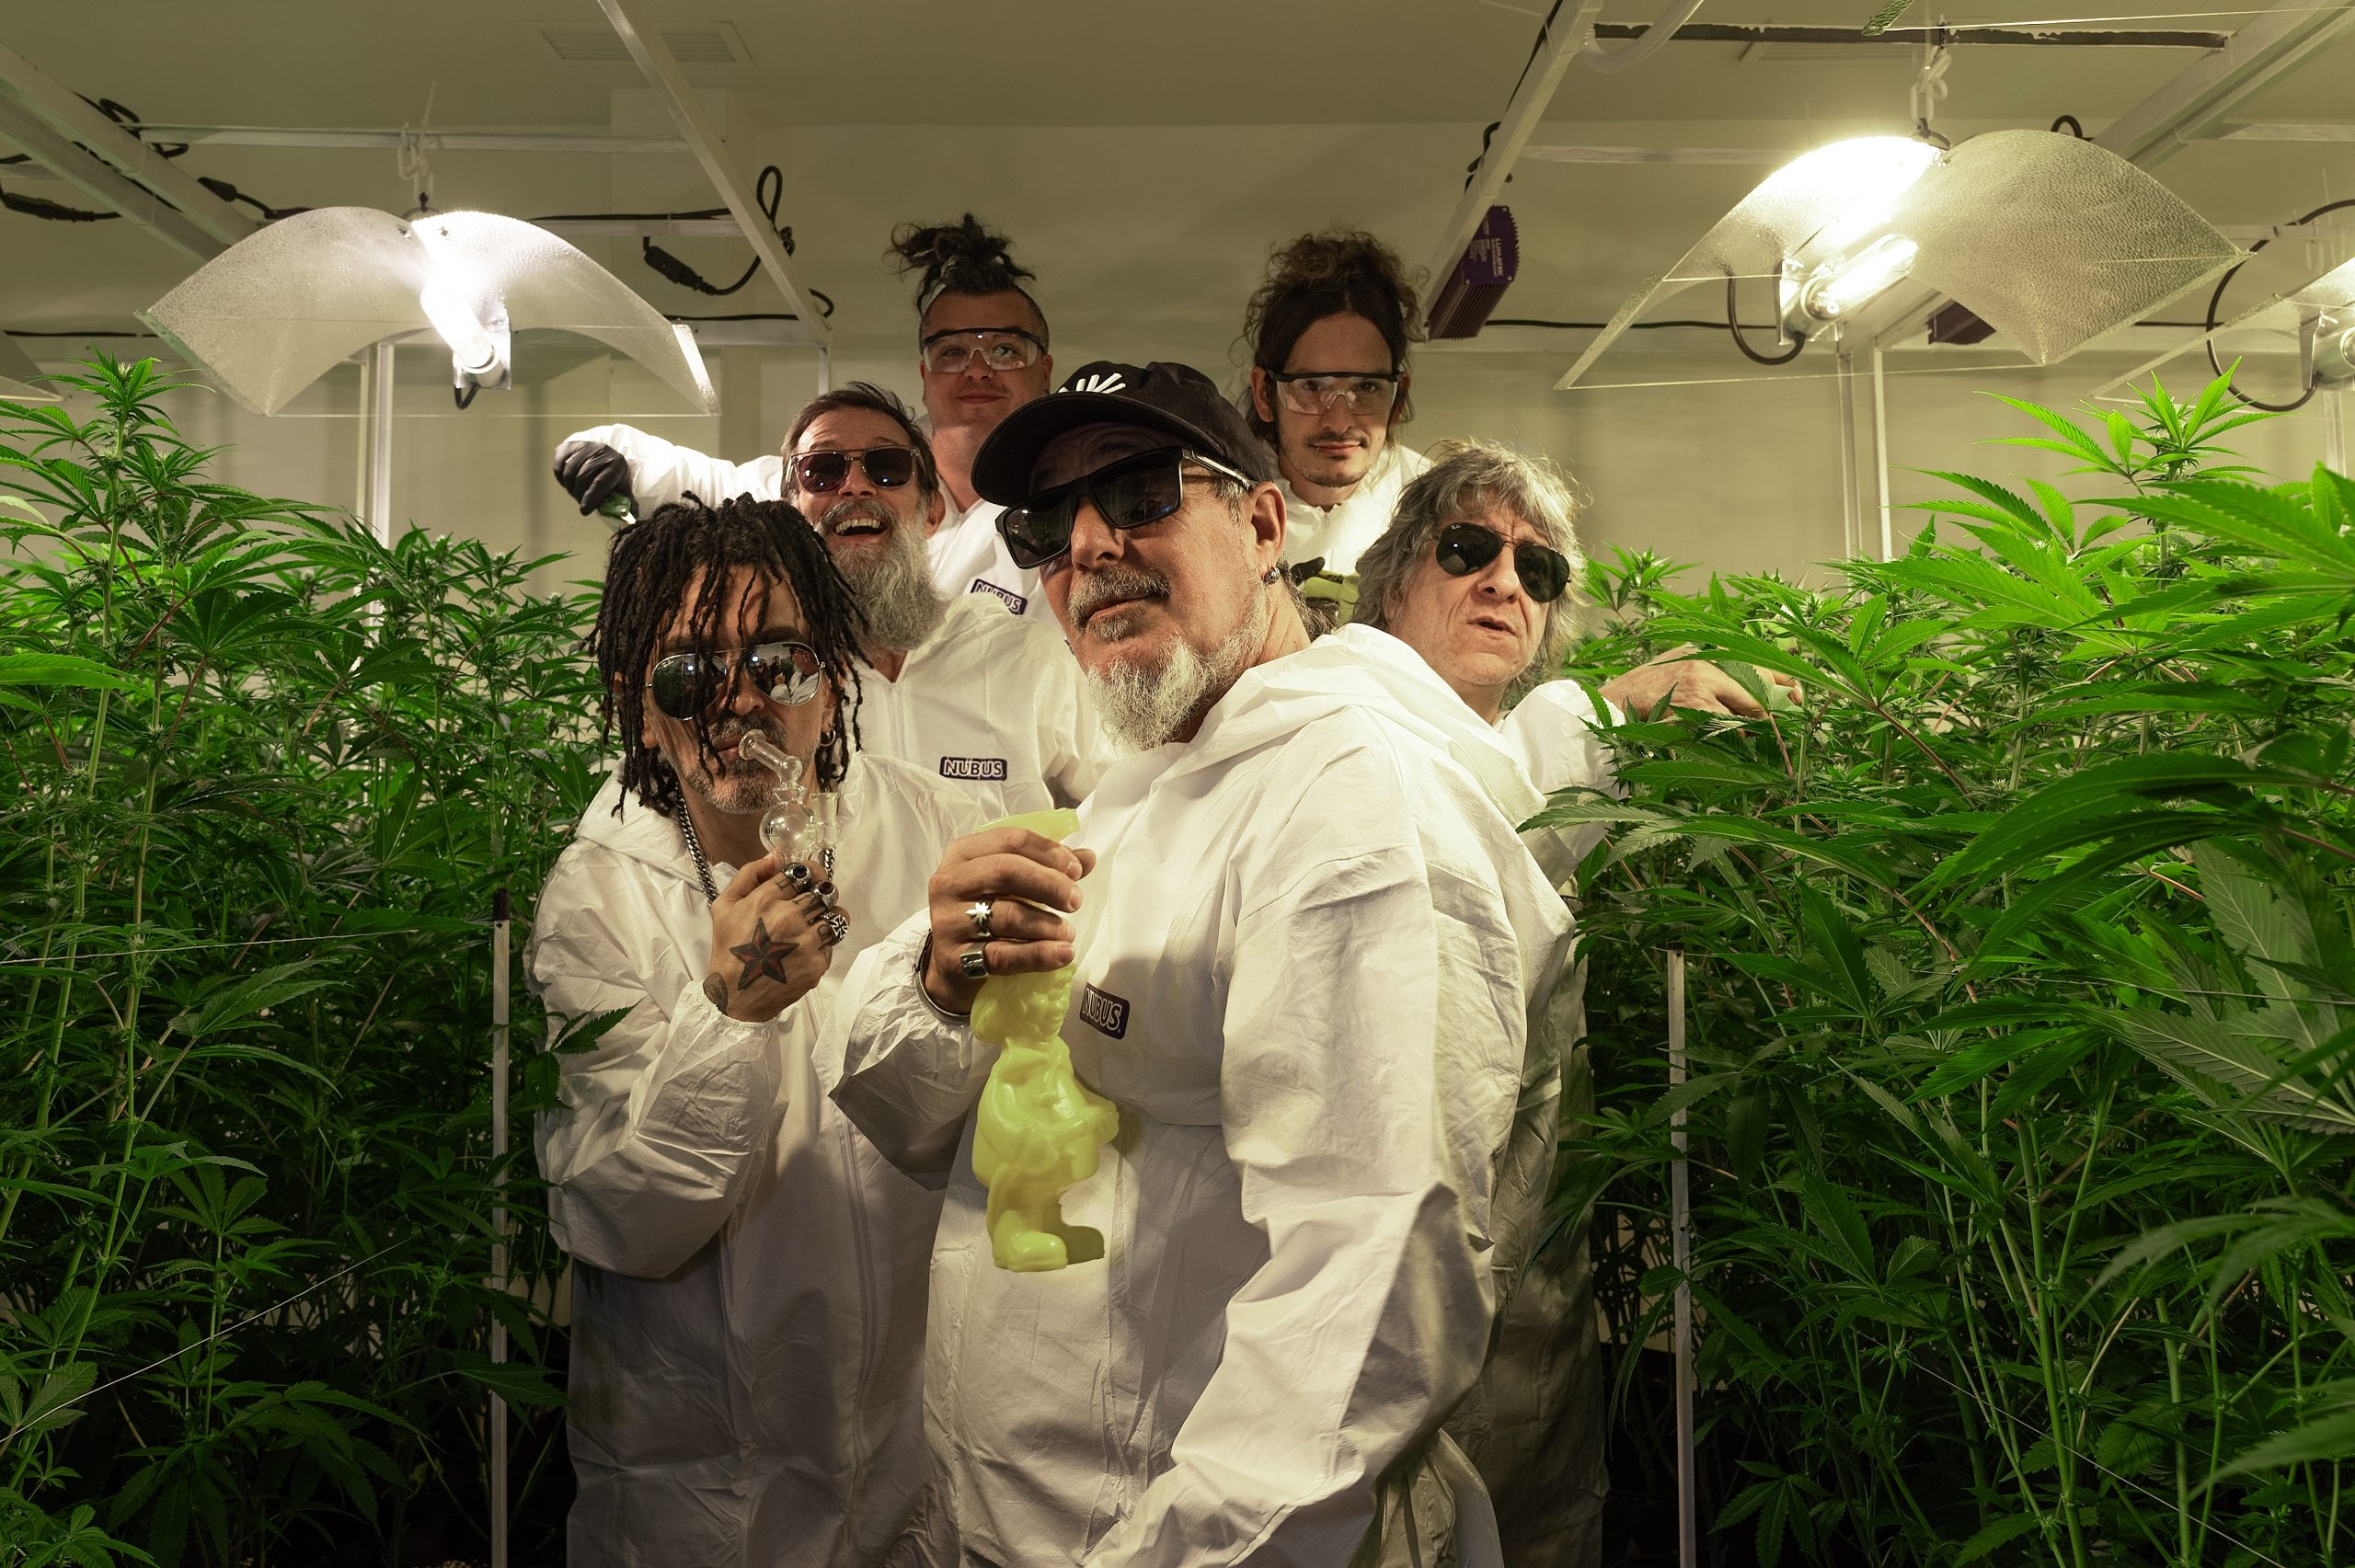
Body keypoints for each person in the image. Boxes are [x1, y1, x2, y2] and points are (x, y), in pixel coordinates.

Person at [827, 361, 1574, 1566]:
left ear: (1265, 526)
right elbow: (898, 1113)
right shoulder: (1151, 786)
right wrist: (936, 985)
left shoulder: (1349, 799)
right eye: (1045, 526)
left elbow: (1371, 1291)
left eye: (1139, 492)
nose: (1087, 546)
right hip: (1022, 1521)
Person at [1350, 438, 1805, 1567]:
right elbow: (1478, 839)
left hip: (1534, 1264)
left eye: (1537, 570)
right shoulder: (1347, 729)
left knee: (1541, 1506)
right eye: (1467, 549)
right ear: (1393, 582)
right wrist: (1606, 706)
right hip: (1384, 1282)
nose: (1504, 582)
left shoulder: (1520, 749)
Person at [530, 495, 979, 1567]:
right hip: (703, 1477)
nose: (736, 700)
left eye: (778, 662)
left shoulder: (938, 833)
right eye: (687, 675)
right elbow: (619, 1218)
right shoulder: (599, 895)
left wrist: (947, 996)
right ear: (640, 710)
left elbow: (976, 1129)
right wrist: (728, 1013)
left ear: (835, 678)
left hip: (916, 1447)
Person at [548, 214, 1054, 616]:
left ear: (1045, 369)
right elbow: (711, 487)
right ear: (924, 373)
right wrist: (615, 455)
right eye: (953, 352)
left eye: (1005, 350)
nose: (978, 370)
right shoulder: (852, 470)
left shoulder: (1069, 496)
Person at [777, 380, 1106, 818]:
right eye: (822, 470)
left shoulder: (1027, 659)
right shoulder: (772, 682)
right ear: (789, 518)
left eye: (887, 467)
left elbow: (1129, 799)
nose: (854, 486)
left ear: (931, 513)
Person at [1242, 227, 1432, 583]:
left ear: (1398, 399)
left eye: (1367, 387)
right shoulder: (1218, 506)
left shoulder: (1436, 507)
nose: (1340, 422)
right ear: (1265, 394)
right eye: (1312, 386)